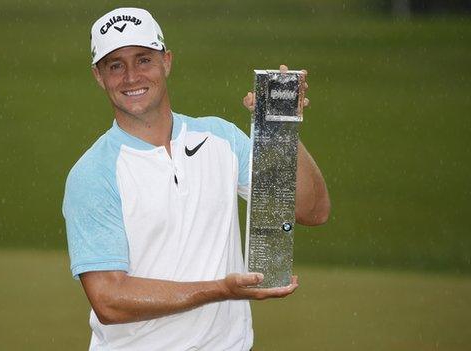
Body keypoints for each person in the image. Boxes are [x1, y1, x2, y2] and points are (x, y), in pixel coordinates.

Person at [63, 7, 330, 351]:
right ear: (99, 76)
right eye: (116, 65)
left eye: (143, 60)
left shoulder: (222, 139)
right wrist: (220, 289)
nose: (131, 77)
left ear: (167, 62)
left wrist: (280, 130)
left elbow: (311, 211)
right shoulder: (94, 173)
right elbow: (109, 300)